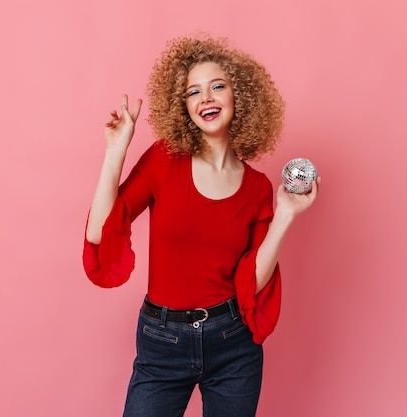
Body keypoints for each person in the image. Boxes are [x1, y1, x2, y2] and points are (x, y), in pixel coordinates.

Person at [82, 36, 320, 417]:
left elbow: (252, 281)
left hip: (233, 343)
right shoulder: (164, 160)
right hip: (162, 339)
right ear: (184, 105)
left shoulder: (258, 187)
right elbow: (101, 233)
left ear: (239, 96)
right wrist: (116, 152)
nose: (206, 98)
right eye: (194, 91)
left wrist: (287, 213)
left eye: (217, 86)